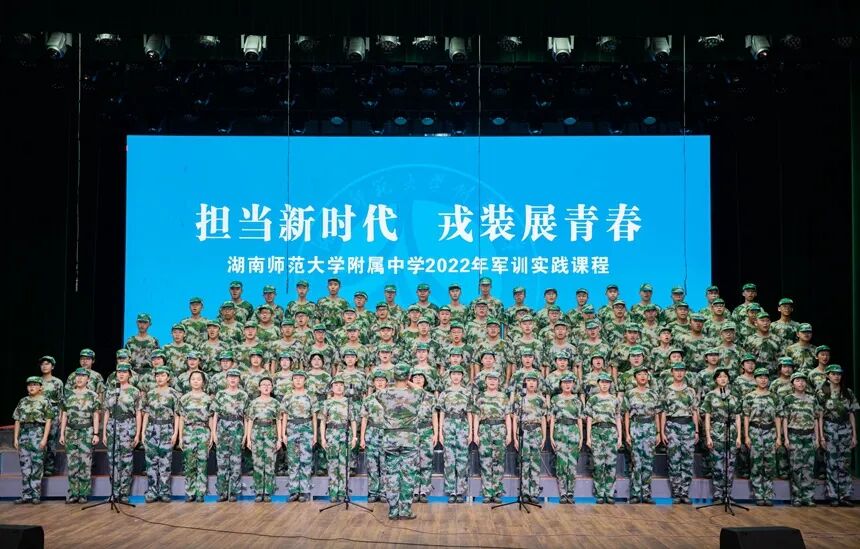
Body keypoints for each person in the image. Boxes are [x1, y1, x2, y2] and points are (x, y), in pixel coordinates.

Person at [374, 363, 424, 519]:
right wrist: (408, 381)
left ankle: (393, 510)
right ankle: (405, 510)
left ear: (393, 376)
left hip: (391, 438)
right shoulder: (416, 394)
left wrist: (393, 382)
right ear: (408, 376)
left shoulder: (384, 394)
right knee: (408, 474)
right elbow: (421, 390)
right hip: (409, 438)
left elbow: (379, 393)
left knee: (392, 474)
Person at [817, 364, 858, 506]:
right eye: (833, 374)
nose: (836, 376)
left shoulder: (847, 392)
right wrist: (821, 436)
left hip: (845, 429)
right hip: (830, 428)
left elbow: (851, 414)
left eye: (839, 374)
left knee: (845, 463)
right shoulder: (823, 392)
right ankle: (833, 496)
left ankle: (845, 495)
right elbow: (820, 415)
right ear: (827, 376)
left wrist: (854, 435)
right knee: (831, 463)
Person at [59, 368, 101, 503]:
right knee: (72, 464)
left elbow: (95, 415)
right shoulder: (68, 395)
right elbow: (64, 415)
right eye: (77, 376)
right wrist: (62, 433)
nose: (79, 378)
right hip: (71, 431)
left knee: (85, 463)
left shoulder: (92, 395)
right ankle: (73, 493)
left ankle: (83, 493)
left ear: (88, 379)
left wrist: (96, 433)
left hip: (86, 431)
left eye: (83, 376)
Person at [660, 362, 699, 504]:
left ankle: (685, 492)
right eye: (676, 370)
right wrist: (662, 432)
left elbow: (694, 411)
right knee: (674, 460)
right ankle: (676, 492)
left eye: (682, 370)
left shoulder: (691, 391)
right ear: (672, 372)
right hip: (672, 426)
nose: (679, 373)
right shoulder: (666, 391)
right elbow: (663, 412)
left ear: (685, 372)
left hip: (688, 426)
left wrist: (696, 430)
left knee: (687, 461)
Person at [701, 367, 741, 503]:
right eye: (720, 377)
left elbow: (738, 417)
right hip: (716, 431)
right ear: (715, 380)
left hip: (731, 432)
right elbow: (707, 417)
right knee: (717, 465)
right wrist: (708, 436)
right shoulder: (710, 396)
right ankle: (718, 493)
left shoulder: (733, 397)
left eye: (725, 376)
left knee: (730, 465)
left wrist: (739, 436)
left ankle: (728, 494)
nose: (723, 379)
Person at [781, 371, 821, 507]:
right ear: (792, 383)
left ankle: (808, 496)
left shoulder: (812, 399)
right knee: (795, 466)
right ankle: (797, 496)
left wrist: (817, 438)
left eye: (803, 380)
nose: (801, 383)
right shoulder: (788, 399)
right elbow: (784, 419)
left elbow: (816, 419)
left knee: (809, 467)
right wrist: (786, 438)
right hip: (794, 435)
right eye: (797, 380)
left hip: (809, 435)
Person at [103, 364, 142, 503]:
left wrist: (137, 434)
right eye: (119, 371)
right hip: (112, 426)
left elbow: (138, 413)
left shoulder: (134, 391)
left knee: (126, 461)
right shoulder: (110, 391)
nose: (121, 374)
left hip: (128, 426)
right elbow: (107, 412)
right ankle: (114, 492)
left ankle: (124, 493)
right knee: (112, 460)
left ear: (129, 374)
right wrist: (104, 433)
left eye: (124, 372)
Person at [622, 365, 661, 504]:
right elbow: (626, 414)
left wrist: (658, 432)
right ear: (635, 378)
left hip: (650, 427)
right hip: (636, 427)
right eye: (640, 374)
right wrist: (627, 433)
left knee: (648, 462)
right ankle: (635, 493)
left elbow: (657, 414)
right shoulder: (630, 393)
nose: (643, 376)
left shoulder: (654, 394)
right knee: (636, 462)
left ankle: (646, 493)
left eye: (645, 374)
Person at [742, 367, 781, 506]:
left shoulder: (774, 397)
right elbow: (746, 417)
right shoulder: (749, 397)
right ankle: (758, 494)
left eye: (765, 377)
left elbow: (778, 417)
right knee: (756, 463)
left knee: (770, 464)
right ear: (755, 379)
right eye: (760, 377)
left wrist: (779, 436)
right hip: (755, 431)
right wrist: (746, 436)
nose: (763, 380)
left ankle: (768, 494)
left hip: (770, 431)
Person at [13, 376, 55, 504]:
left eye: (35, 385)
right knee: (25, 466)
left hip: (37, 433)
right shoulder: (23, 401)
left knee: (37, 465)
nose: (31, 387)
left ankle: (36, 494)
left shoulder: (44, 401)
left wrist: (44, 438)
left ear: (40, 387)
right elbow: (17, 420)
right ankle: (26, 495)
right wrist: (15, 438)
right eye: (29, 385)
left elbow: (48, 421)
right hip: (24, 434)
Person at [141, 367, 180, 503]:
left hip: (167, 429)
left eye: (163, 375)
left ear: (168, 377)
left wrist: (175, 433)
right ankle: (152, 491)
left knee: (165, 462)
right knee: (151, 462)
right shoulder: (150, 393)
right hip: (151, 429)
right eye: (157, 375)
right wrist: (142, 433)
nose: (159, 378)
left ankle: (164, 491)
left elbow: (177, 415)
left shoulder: (174, 394)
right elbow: (146, 414)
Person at [472, 370, 511, 504]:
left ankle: (497, 492)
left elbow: (507, 416)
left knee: (498, 462)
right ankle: (487, 493)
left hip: (499, 429)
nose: (492, 381)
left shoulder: (503, 397)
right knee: (485, 461)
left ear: (499, 382)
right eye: (490, 379)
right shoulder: (480, 397)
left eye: (495, 379)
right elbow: (476, 416)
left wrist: (509, 434)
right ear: (486, 381)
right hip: (484, 430)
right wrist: (475, 433)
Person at [436, 364, 472, 503]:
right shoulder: (445, 393)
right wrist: (440, 432)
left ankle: (460, 491)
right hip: (448, 425)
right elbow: (441, 412)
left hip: (462, 425)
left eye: (458, 374)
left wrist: (470, 431)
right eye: (453, 374)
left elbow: (470, 413)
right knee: (449, 459)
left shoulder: (467, 392)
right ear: (450, 376)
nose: (456, 377)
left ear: (462, 376)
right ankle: (451, 490)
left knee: (462, 459)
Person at [318, 375, 358, 503]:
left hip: (345, 434)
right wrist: (323, 438)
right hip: (331, 434)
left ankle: (343, 492)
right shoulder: (327, 403)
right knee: (332, 464)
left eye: (341, 385)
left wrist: (354, 437)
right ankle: (333, 492)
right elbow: (322, 422)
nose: (339, 387)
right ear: (332, 388)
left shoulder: (348, 402)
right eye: (336, 385)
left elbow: (353, 421)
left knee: (344, 465)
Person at [211, 368, 249, 502]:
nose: (233, 379)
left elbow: (246, 416)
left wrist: (245, 435)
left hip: (237, 428)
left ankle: (233, 492)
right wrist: (214, 432)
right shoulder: (220, 394)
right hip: (222, 428)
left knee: (236, 462)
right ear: (226, 379)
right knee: (222, 462)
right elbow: (215, 414)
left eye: (235, 377)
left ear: (239, 379)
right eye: (230, 377)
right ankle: (222, 492)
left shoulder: (243, 395)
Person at [280, 370, 317, 502]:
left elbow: (314, 416)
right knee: (293, 460)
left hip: (306, 428)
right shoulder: (288, 395)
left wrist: (315, 434)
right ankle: (294, 490)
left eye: (301, 378)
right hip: (292, 428)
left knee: (306, 460)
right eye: (295, 378)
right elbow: (284, 415)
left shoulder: (310, 395)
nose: (298, 380)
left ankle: (304, 491)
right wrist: (283, 433)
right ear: (292, 381)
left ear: (305, 380)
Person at [586, 372, 622, 504]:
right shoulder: (593, 399)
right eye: (602, 382)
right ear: (598, 384)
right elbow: (589, 419)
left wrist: (620, 437)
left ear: (610, 384)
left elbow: (618, 418)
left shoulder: (615, 400)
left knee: (611, 464)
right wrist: (588, 437)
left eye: (607, 382)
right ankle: (600, 493)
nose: (605, 385)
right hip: (597, 431)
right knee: (598, 463)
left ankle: (610, 493)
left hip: (611, 432)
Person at [245, 377, 282, 502]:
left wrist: (279, 439)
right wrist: (248, 438)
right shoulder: (253, 403)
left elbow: (278, 421)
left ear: (272, 387)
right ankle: (258, 491)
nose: (266, 387)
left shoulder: (275, 403)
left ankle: (267, 492)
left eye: (268, 385)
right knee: (258, 463)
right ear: (259, 387)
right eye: (263, 385)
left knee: (270, 463)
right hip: (257, 432)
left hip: (271, 432)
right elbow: (250, 420)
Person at [178, 370, 214, 502]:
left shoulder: (208, 399)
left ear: (203, 382)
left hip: (203, 430)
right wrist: (180, 436)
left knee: (202, 462)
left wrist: (212, 434)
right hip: (188, 431)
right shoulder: (184, 398)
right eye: (193, 379)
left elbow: (211, 418)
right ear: (189, 381)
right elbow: (181, 418)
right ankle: (190, 492)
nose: (196, 381)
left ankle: (200, 492)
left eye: (199, 379)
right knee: (189, 463)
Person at [512, 371, 547, 503]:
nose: (531, 383)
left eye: (534, 381)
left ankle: (534, 493)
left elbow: (543, 418)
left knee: (535, 463)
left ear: (537, 383)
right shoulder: (520, 398)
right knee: (524, 462)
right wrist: (515, 436)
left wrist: (544, 436)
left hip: (536, 431)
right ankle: (524, 492)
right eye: (529, 381)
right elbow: (515, 418)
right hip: (523, 431)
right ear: (525, 383)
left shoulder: (541, 399)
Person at [550, 373, 583, 504]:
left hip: (573, 431)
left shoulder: (577, 400)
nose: (567, 385)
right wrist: (551, 436)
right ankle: (563, 493)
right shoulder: (555, 399)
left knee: (572, 464)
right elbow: (552, 418)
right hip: (560, 431)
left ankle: (570, 493)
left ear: (573, 384)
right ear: (561, 385)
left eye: (569, 382)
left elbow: (579, 419)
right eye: (564, 382)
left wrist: (581, 437)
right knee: (561, 464)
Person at [360, 369, 388, 503]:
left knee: (385, 464)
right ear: (373, 383)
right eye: (377, 380)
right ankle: (373, 492)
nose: (380, 383)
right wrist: (362, 437)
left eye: (382, 380)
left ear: (387, 382)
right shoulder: (368, 399)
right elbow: (364, 419)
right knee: (372, 464)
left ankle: (384, 492)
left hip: (387, 433)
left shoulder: (391, 398)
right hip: (372, 432)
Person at [410, 371, 437, 503]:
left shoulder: (430, 397)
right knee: (412, 462)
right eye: (415, 377)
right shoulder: (407, 395)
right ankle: (414, 490)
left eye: (421, 377)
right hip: (412, 432)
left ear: (425, 381)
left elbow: (434, 416)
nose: (418, 379)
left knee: (426, 461)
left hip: (426, 430)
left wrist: (436, 433)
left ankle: (424, 491)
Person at [37, 355, 64, 476]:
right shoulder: (36, 381)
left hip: (53, 413)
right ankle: (38, 466)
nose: (44, 366)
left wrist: (60, 416)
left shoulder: (57, 382)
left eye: (47, 364)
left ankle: (49, 467)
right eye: (42, 364)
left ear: (52, 366)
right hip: (39, 413)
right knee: (38, 439)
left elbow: (61, 401)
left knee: (51, 441)